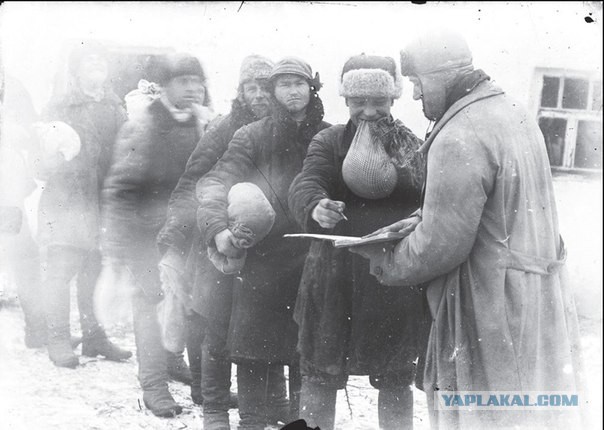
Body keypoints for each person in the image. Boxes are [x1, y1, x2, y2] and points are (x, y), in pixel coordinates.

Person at [350, 30, 583, 429]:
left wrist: (386, 261)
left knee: (479, 412)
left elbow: (443, 244)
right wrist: (419, 219)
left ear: (440, 76)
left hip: (489, 303)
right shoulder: (514, 111)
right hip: (534, 296)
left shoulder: (460, 132)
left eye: (418, 84)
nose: (417, 96)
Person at [288, 54, 425, 430]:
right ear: (346, 101)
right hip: (333, 277)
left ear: (392, 99)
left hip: (389, 275)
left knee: (396, 374)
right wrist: (316, 206)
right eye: (358, 102)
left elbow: (424, 195)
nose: (368, 111)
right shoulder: (329, 141)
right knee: (320, 371)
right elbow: (306, 181)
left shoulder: (408, 144)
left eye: (378, 102)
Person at [196, 57, 330, 430]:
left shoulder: (330, 136)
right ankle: (251, 423)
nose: (292, 91)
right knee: (255, 354)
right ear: (272, 92)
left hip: (312, 260)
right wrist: (218, 230)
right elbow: (213, 183)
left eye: (299, 83)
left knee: (308, 356)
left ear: (312, 88)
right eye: (283, 84)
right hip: (263, 261)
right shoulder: (251, 136)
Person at [157, 54, 274, 429]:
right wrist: (179, 233)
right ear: (240, 92)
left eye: (263, 87)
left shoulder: (280, 129)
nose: (257, 95)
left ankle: (260, 400)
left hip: (263, 237)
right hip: (215, 230)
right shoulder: (226, 127)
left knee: (253, 319)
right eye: (250, 88)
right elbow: (193, 178)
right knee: (209, 316)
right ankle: (209, 398)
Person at [101, 53, 209, 417]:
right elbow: (120, 187)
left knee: (186, 303)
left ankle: (176, 364)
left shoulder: (203, 123)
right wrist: (116, 247)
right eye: (183, 81)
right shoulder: (143, 125)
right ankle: (153, 385)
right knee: (149, 305)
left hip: (185, 232)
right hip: (144, 233)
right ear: (164, 86)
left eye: (197, 81)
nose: (193, 88)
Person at [36, 41, 131, 369]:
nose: (96, 64)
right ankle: (58, 338)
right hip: (67, 202)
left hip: (102, 203)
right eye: (88, 60)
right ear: (76, 70)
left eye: (100, 60)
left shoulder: (117, 108)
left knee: (94, 269)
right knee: (61, 271)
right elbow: (41, 159)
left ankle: (94, 337)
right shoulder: (59, 106)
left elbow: (126, 154)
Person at [0, 70, 47, 348]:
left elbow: (33, 129)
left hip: (7, 193)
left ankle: (38, 330)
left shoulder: (13, 86)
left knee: (25, 257)